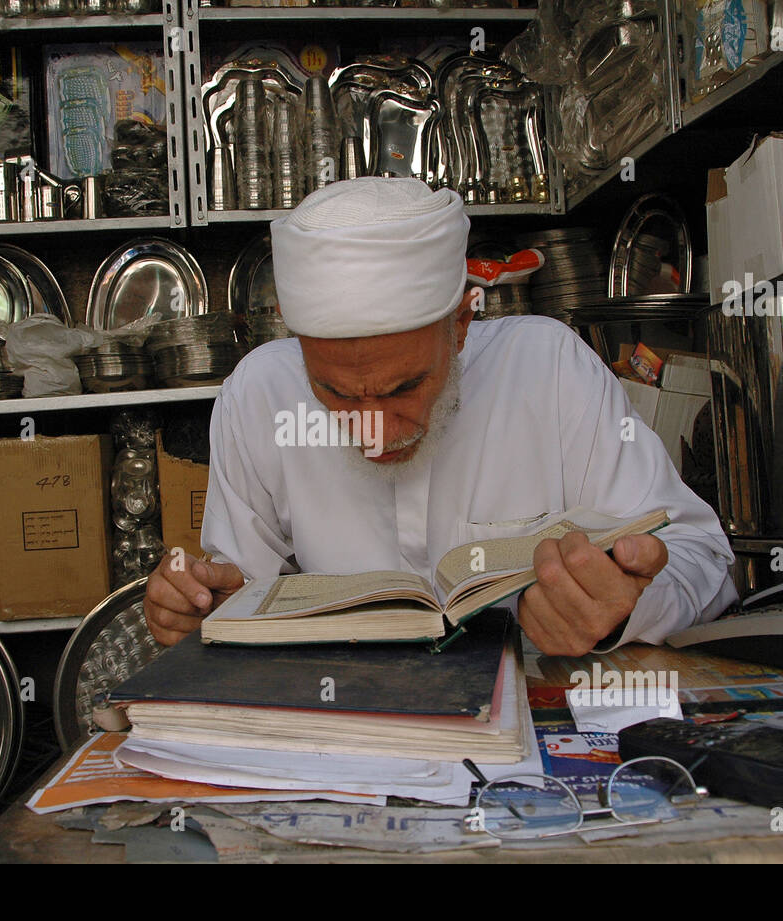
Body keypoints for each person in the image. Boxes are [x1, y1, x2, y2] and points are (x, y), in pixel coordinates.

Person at [145, 176, 736, 653]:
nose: (373, 434)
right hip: (341, 733)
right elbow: (238, 594)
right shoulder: (257, 395)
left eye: (404, 388)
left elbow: (703, 560)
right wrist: (206, 611)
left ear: (459, 325)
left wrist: (624, 608)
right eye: (338, 395)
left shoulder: (550, 370)